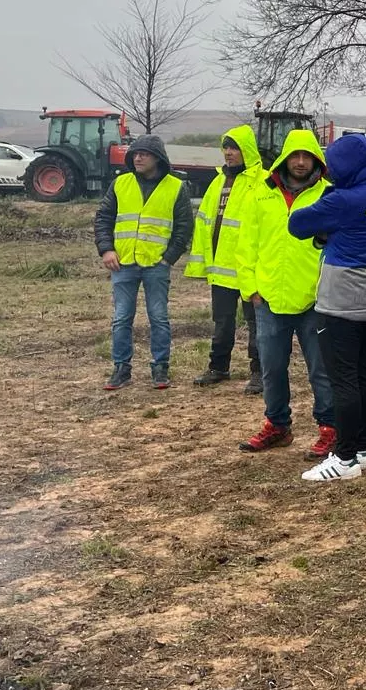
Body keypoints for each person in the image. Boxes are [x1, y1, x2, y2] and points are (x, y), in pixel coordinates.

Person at [288, 133, 366, 482]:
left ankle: (345, 457)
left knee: (343, 380)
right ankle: (365, 449)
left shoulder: (343, 199)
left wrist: (328, 213)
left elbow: (297, 223)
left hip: (340, 302)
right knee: (362, 375)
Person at [236, 130, 337, 458]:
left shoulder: (329, 195)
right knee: (272, 367)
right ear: (284, 158)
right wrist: (250, 288)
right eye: (295, 156)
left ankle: (330, 427)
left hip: (314, 299)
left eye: (307, 156)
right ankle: (277, 425)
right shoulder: (261, 195)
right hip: (268, 298)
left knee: (320, 368)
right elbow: (246, 243)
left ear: (316, 160)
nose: (300, 162)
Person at [93, 134, 192, 391]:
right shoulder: (120, 184)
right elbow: (103, 218)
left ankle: (160, 368)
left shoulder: (176, 187)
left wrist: (168, 259)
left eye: (143, 154)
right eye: (135, 154)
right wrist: (106, 249)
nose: (137, 158)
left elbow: (184, 228)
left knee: (158, 317)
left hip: (156, 265)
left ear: (157, 158)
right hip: (123, 263)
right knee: (121, 318)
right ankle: (121, 368)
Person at [185, 125, 265, 392]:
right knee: (222, 321)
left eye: (234, 148)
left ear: (247, 150)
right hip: (222, 269)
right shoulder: (218, 182)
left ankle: (259, 372)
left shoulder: (261, 181)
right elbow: (205, 222)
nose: (229, 153)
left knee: (257, 323)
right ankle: (218, 367)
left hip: (250, 268)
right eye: (226, 147)